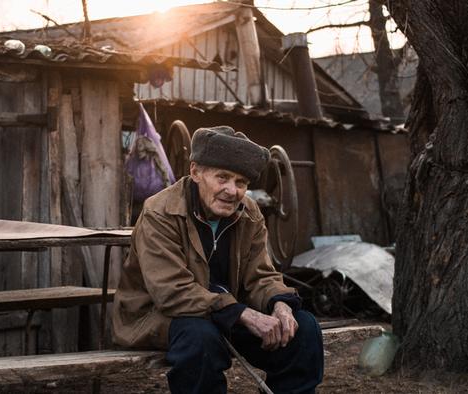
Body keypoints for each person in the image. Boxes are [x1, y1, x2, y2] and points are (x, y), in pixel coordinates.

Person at [112, 126, 324, 394]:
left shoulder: (249, 212)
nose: (232, 191)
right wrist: (242, 314)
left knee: (303, 329)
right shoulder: (160, 212)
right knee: (200, 339)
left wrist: (280, 303)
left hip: (225, 314)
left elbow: (260, 276)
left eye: (241, 183)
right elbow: (171, 292)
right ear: (195, 172)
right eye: (222, 177)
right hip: (160, 316)